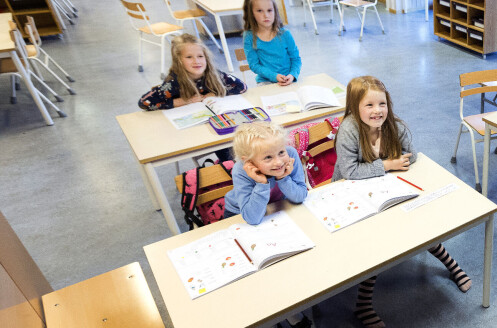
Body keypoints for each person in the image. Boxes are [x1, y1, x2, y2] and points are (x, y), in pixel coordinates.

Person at [334, 76, 472, 328]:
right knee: (377, 244)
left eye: (382, 104)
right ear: (354, 107)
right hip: (352, 196)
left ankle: (451, 264)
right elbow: (349, 172)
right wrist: (387, 165)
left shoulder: (393, 124)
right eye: (369, 105)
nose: (377, 111)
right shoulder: (349, 129)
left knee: (419, 225)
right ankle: (363, 304)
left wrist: (396, 138)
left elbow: (413, 156)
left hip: (386, 189)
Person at [222, 121, 312, 328]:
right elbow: (252, 217)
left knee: (289, 258)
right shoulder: (241, 171)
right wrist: (262, 184)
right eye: (268, 157)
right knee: (261, 267)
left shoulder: (290, 155)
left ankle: (290, 305)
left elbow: (299, 197)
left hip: (279, 209)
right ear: (249, 162)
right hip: (242, 214)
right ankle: (274, 313)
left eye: (280, 152)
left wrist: (282, 178)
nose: (279, 161)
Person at [138, 33, 246, 110]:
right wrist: (182, 101)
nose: (196, 61)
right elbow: (144, 103)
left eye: (200, 56)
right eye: (189, 57)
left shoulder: (214, 74)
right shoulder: (173, 83)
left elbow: (242, 87)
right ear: (179, 60)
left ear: (206, 58)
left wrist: (215, 93)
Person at [242, 0, 302, 86]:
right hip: (265, 81)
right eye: (259, 11)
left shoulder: (285, 34)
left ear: (275, 11)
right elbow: (254, 65)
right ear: (251, 13)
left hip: (289, 79)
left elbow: (296, 59)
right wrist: (274, 76)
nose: (266, 15)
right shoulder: (249, 36)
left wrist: (292, 75)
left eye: (269, 10)